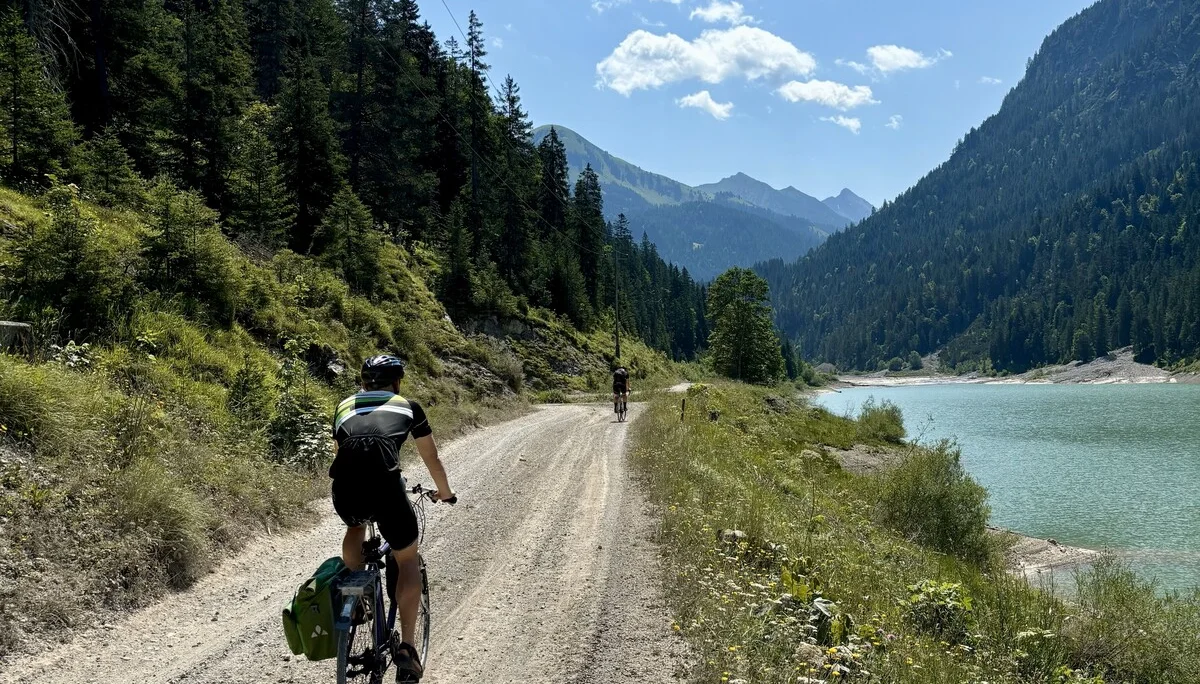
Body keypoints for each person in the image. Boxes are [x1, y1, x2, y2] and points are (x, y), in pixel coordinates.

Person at [329, 355, 454, 682]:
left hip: (345, 490)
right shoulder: (408, 407)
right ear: (397, 382)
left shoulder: (344, 406)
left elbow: (340, 454)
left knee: (355, 525)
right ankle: (407, 649)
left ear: (363, 382)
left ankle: (356, 594)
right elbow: (431, 457)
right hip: (386, 488)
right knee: (407, 558)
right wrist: (445, 492)